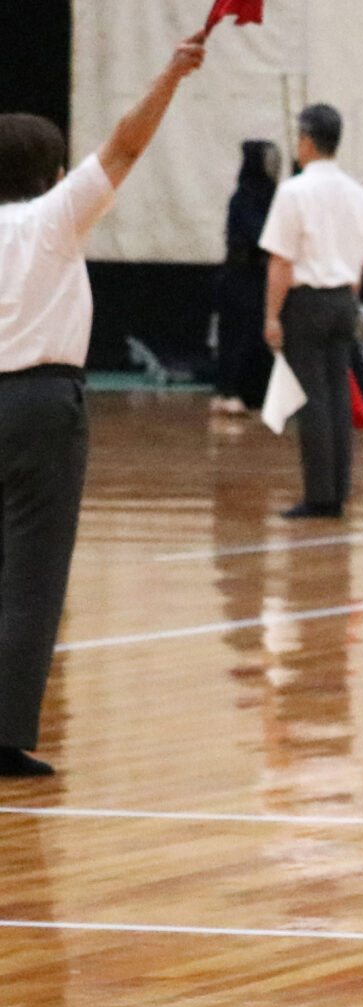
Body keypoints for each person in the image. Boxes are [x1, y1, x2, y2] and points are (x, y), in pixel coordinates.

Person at [0, 34, 205, 779]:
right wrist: (172, 73)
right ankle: (3, 735)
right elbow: (124, 145)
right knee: (30, 577)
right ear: (52, 173)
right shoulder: (53, 216)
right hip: (41, 404)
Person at [261, 102, 363, 520]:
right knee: (339, 394)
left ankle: (320, 496)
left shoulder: (294, 191)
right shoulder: (357, 192)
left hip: (307, 301)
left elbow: (281, 261)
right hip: (345, 297)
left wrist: (272, 316)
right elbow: (357, 258)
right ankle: (338, 491)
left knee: (313, 399)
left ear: (307, 140)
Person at [209, 139, 279, 416]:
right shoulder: (242, 198)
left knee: (262, 340)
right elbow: (261, 236)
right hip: (240, 280)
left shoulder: (276, 197)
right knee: (237, 337)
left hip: (263, 279)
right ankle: (230, 391)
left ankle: (259, 394)